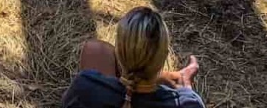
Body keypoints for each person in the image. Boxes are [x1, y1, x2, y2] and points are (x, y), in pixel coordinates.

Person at [63, 6, 204, 108]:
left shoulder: (84, 87)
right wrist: (187, 88)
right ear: (164, 58)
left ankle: (168, 78)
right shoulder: (188, 103)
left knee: (96, 50)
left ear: (118, 52)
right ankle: (172, 78)